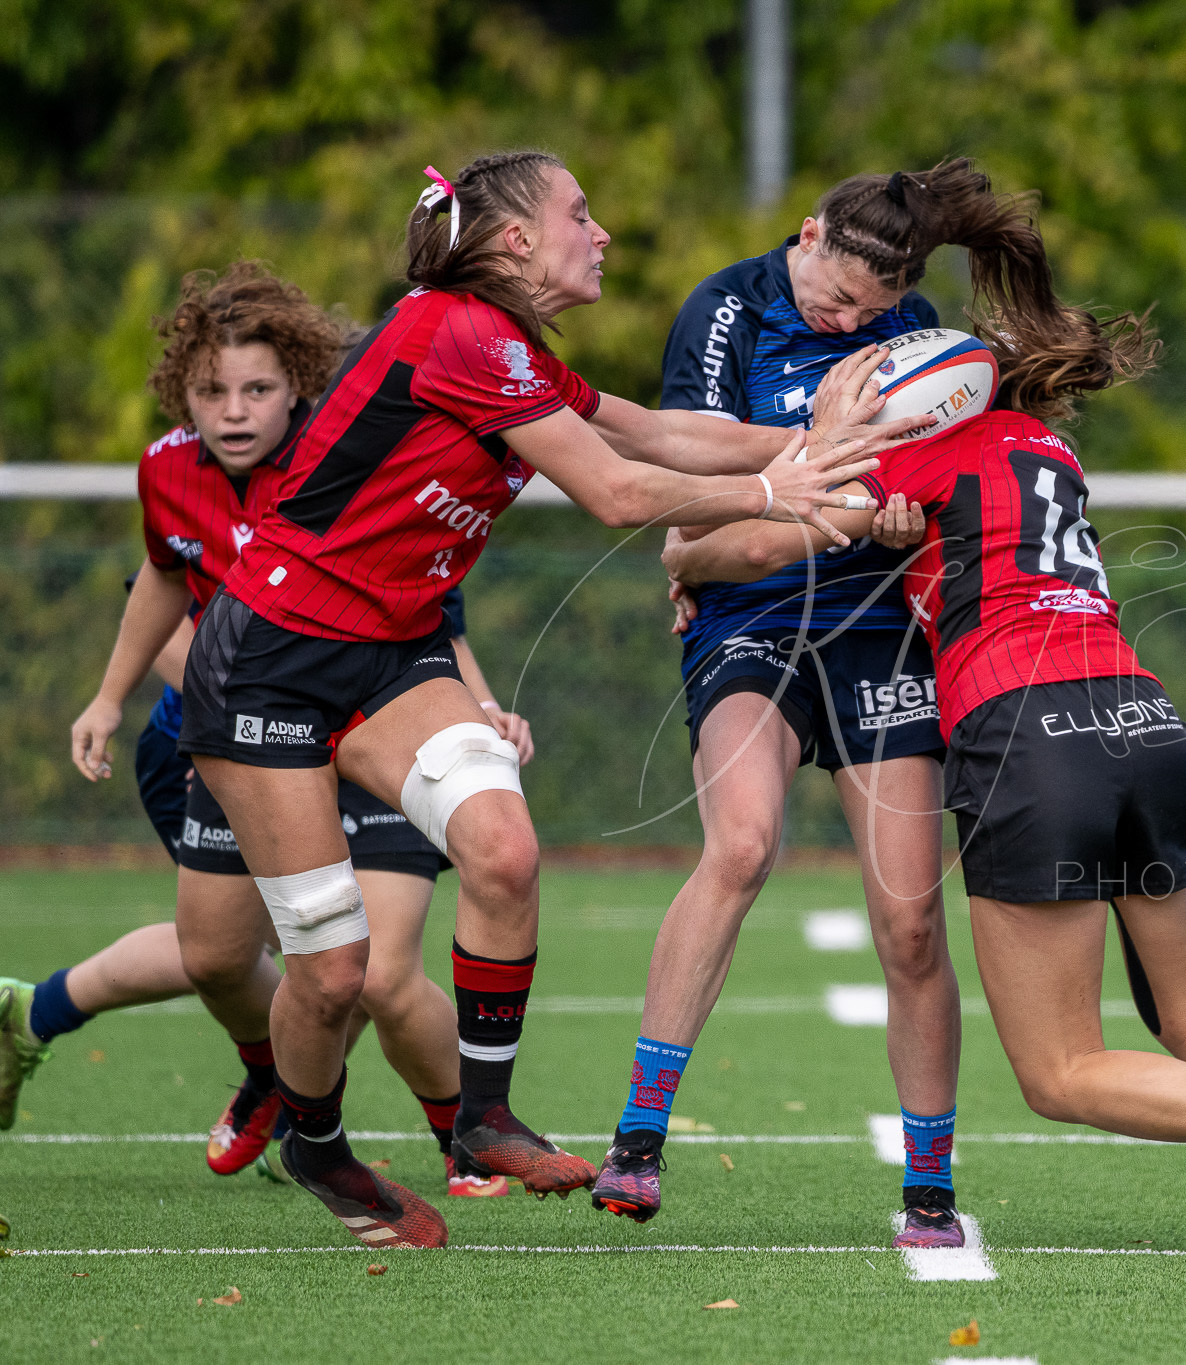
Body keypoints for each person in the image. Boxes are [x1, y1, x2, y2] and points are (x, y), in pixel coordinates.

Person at [656, 169, 1186, 1258]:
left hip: (1029, 740)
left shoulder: (902, 449)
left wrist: (698, 548)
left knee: (1058, 1073)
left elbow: (742, 545)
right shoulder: (1046, 449)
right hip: (1146, 725)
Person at [170, 151, 918, 1250]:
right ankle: (318, 1144)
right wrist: (775, 487)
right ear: (514, 241)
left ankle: (481, 1117)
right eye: (580, 212)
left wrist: (837, 443)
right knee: (333, 975)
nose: (602, 231)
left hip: (393, 651)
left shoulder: (508, 347)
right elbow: (618, 491)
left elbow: (657, 435)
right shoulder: (458, 331)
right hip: (271, 657)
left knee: (506, 852)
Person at [2, 262, 529, 1197]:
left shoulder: (343, 458)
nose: (234, 410)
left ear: (300, 388)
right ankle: (272, 1081)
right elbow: (165, 580)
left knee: (372, 970)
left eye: (257, 389)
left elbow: (430, 608)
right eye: (212, 391)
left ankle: (466, 1140)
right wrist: (107, 697)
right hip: (241, 740)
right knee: (218, 951)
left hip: (364, 724)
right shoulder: (168, 468)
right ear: (183, 395)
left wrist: (477, 706)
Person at [593, 161, 1013, 1246]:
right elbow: (689, 520)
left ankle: (929, 1189)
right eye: (836, 300)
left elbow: (914, 500)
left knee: (912, 920)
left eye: (870, 313)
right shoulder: (725, 309)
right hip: (750, 619)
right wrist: (815, 509)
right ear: (808, 231)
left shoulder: (917, 333)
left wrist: (883, 521)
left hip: (879, 630)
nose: (849, 322)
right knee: (740, 846)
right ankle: (637, 1141)